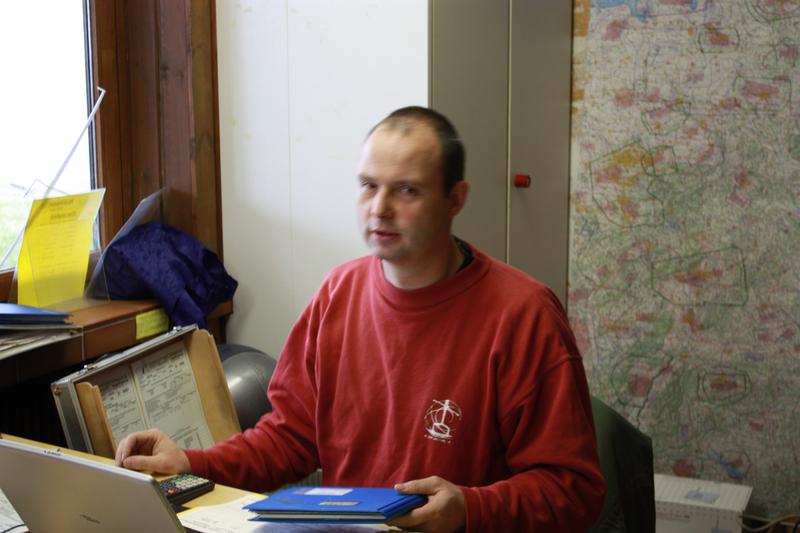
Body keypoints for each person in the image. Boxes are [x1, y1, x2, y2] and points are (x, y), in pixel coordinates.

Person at [116, 106, 606, 532]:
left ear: (455, 200)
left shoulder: (523, 315)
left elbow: (574, 491)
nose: (380, 209)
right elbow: (289, 439)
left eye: (407, 190)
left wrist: (470, 509)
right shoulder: (338, 294)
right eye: (369, 186)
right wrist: (190, 463)